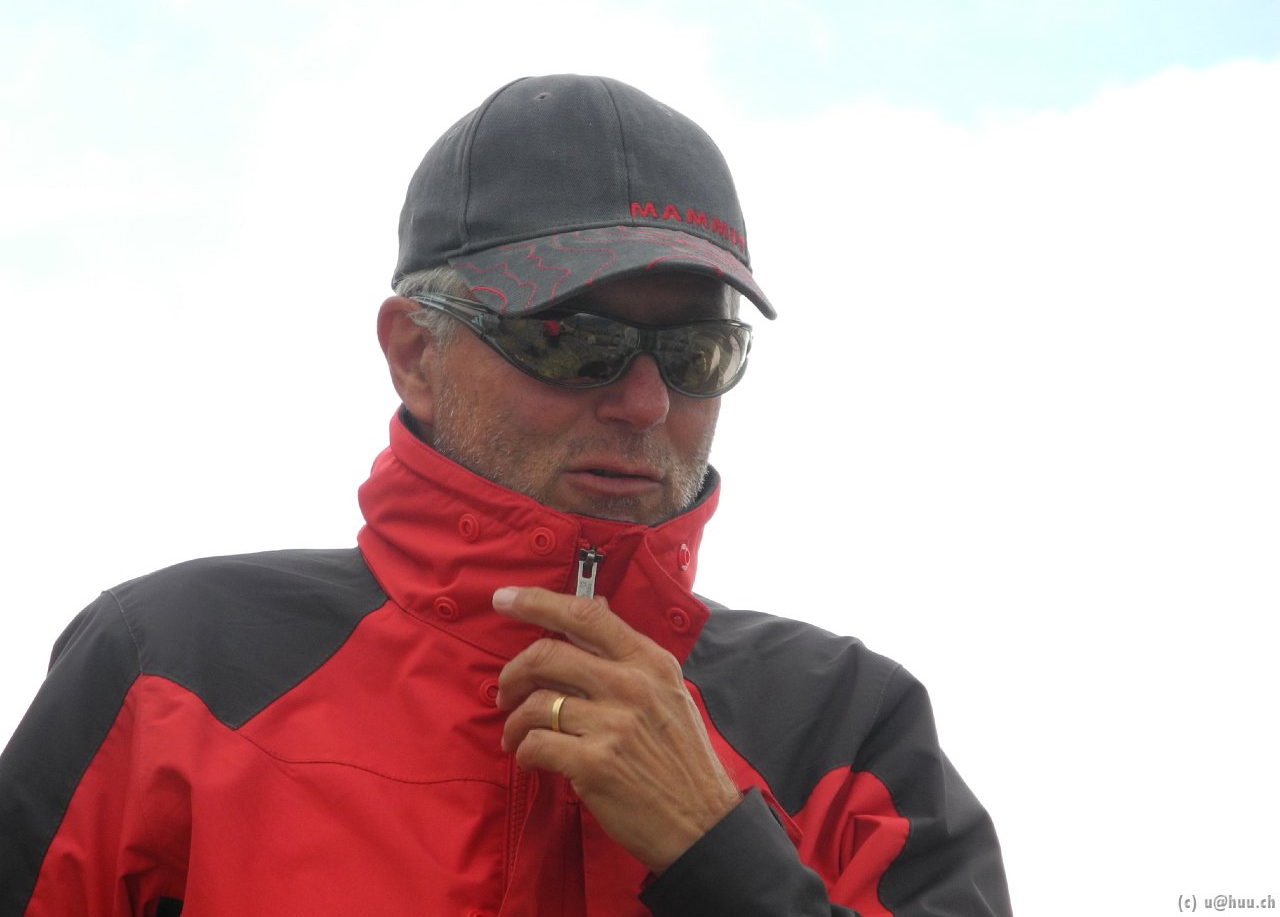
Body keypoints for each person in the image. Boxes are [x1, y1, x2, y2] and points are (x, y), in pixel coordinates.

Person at [0, 74, 1012, 916]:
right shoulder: (169, 668)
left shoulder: (850, 725)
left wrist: (720, 854)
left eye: (697, 351)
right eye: (571, 339)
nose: (646, 401)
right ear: (414, 354)